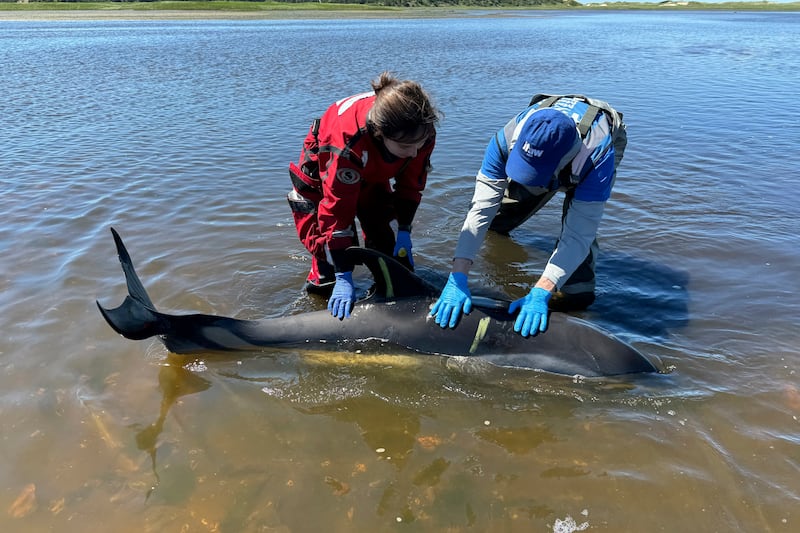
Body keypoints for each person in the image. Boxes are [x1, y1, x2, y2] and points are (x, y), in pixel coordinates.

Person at [430, 93, 626, 337]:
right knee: (497, 220)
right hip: (543, 149)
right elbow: (480, 210)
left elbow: (578, 235)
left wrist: (542, 290)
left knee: (578, 288)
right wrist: (458, 275)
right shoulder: (505, 139)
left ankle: (572, 291)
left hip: (588, 153)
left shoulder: (597, 160)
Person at [287, 72, 440, 320]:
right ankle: (326, 275)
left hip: (374, 162)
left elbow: (411, 185)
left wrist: (404, 228)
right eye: (405, 147)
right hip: (330, 161)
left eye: (420, 144)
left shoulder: (418, 131)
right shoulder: (347, 144)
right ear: (381, 133)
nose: (414, 153)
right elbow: (336, 210)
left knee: (389, 249)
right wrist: (343, 275)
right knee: (328, 263)